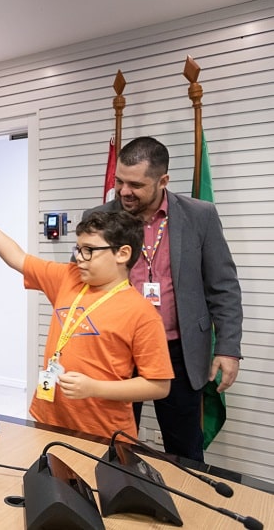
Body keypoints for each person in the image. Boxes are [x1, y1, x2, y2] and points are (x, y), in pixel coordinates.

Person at [0, 195, 172, 439]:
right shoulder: (69, 277)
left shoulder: (142, 313)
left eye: (89, 250)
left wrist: (94, 388)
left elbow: (159, 385)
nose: (79, 257)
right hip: (50, 420)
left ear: (122, 254)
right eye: (78, 249)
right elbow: (17, 257)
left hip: (102, 432)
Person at [85, 136, 242, 461]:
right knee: (114, 445)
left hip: (179, 351)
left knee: (184, 449)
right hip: (118, 349)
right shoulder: (100, 217)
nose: (124, 192)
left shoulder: (199, 216)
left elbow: (223, 286)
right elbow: (82, 282)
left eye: (136, 184)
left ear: (163, 181)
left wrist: (227, 348)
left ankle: (189, 507)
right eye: (119, 182)